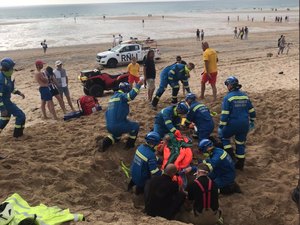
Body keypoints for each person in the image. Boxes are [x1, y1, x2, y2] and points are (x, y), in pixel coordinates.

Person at [218, 76, 256, 170]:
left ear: (230, 85)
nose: (227, 86)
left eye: (227, 84)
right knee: (240, 143)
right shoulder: (245, 96)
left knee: (224, 137)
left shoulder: (228, 97)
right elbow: (252, 110)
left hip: (232, 123)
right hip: (244, 124)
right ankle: (240, 164)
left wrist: (221, 126)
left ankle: (231, 157)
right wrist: (252, 121)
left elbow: (225, 114)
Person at [101, 80, 144, 151]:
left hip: (109, 126)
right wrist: (138, 85)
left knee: (116, 137)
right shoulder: (121, 96)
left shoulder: (111, 99)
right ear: (126, 90)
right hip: (118, 125)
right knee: (135, 126)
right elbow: (131, 96)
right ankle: (129, 145)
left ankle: (106, 142)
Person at [0, 58, 26, 138]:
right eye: (12, 68)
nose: (13, 69)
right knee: (21, 116)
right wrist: (3, 108)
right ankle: (17, 136)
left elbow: (11, 89)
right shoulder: (1, 79)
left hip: (7, 100)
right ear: (7, 68)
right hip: (4, 102)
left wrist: (19, 93)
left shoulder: (8, 76)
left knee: (5, 118)